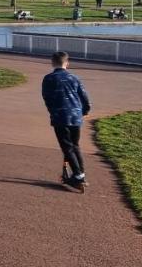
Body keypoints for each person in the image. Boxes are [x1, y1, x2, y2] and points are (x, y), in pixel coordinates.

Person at [42, 51, 92, 191]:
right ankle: (80, 173)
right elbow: (84, 97)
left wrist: (52, 111)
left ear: (52, 62)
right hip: (76, 116)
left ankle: (78, 175)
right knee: (75, 145)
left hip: (60, 117)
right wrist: (86, 111)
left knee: (67, 147)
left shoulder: (48, 79)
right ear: (67, 63)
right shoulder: (74, 78)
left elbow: (46, 98)